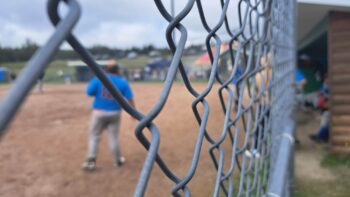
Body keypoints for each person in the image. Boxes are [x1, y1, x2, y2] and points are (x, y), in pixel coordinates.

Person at [82, 63, 135, 171]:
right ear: (117, 70)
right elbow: (130, 98)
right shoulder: (122, 81)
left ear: (106, 70)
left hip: (99, 112)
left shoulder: (98, 79)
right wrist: (132, 113)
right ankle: (117, 160)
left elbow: (88, 92)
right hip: (114, 113)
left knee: (94, 136)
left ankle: (90, 161)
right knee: (113, 137)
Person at [309, 75, 329, 143]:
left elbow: (326, 98)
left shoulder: (330, 87)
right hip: (324, 108)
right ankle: (318, 135)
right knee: (324, 120)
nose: (326, 81)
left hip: (328, 110)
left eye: (327, 79)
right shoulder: (324, 86)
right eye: (326, 79)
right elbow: (321, 95)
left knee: (326, 119)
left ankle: (319, 136)